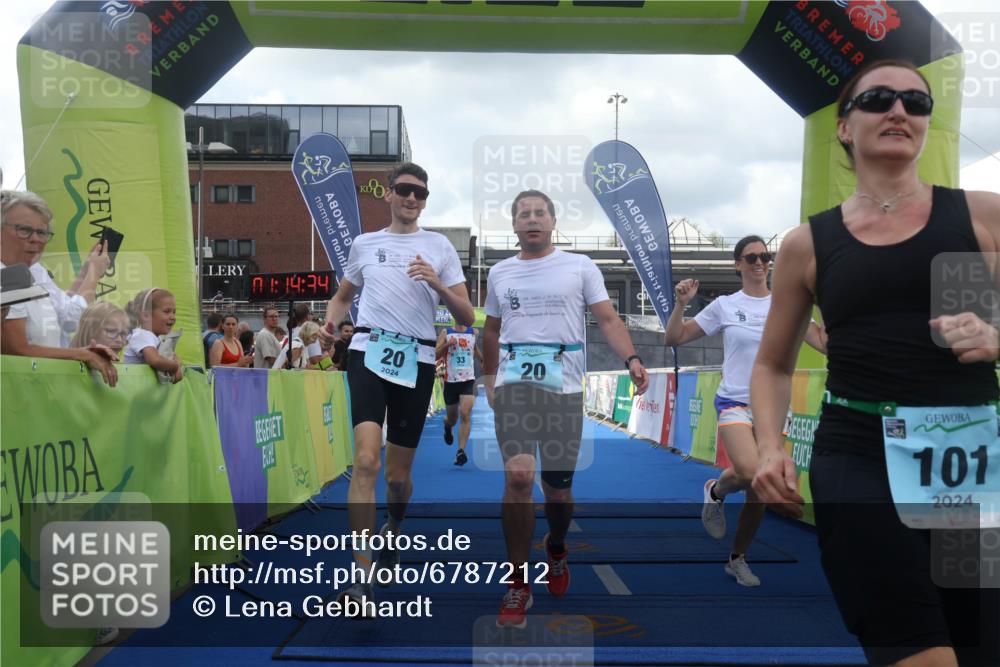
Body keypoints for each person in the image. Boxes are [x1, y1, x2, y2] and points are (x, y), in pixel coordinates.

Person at [750, 60, 1000, 666]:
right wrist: (771, 445)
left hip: (967, 457)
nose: (899, 111)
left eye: (916, 103)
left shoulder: (984, 215)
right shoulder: (807, 243)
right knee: (913, 647)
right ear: (843, 127)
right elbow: (773, 366)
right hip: (858, 453)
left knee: (978, 646)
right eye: (880, 99)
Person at [483, 190, 648, 628]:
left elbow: (609, 319)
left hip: (565, 389)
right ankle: (518, 583)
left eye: (540, 213)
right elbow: (492, 330)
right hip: (515, 384)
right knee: (518, 477)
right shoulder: (499, 273)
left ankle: (556, 545)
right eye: (523, 214)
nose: (532, 219)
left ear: (553, 221)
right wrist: (488, 379)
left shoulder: (580, 266)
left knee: (557, 493)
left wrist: (631, 358)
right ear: (514, 225)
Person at [319, 162, 474, 608]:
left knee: (397, 477)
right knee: (366, 459)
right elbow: (344, 296)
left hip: (418, 358)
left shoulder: (439, 246)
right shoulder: (365, 244)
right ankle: (360, 573)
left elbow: (466, 315)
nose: (412, 199)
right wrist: (332, 324)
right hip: (368, 352)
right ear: (388, 194)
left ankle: (394, 527)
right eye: (405, 190)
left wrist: (439, 284)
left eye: (420, 194)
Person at [664, 236, 826, 587]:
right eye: (751, 257)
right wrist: (681, 305)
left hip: (774, 406)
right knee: (753, 472)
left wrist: (827, 301)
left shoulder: (789, 303)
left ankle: (737, 557)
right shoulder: (725, 305)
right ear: (737, 264)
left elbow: (825, 344)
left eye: (765, 256)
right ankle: (717, 492)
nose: (759, 262)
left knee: (758, 491)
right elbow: (674, 338)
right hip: (734, 400)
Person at [0, 191, 117, 385]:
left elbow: (67, 316)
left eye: (42, 233)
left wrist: (88, 271)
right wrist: (82, 354)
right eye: (24, 230)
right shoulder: (7, 276)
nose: (35, 239)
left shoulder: (33, 271)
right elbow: (18, 350)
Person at [435, 323, 482, 466]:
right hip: (451, 381)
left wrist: (482, 358)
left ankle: (461, 451)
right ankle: (447, 426)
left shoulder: (474, 332)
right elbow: (435, 354)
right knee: (452, 419)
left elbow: (473, 348)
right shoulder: (446, 332)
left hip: (468, 380)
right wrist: (447, 344)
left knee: (465, 413)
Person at [124, 288, 183, 383]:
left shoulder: (156, 338)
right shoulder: (142, 335)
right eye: (167, 311)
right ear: (146, 316)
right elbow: (154, 360)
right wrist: (174, 367)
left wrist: (177, 362)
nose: (173, 317)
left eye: (174, 312)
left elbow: (172, 357)